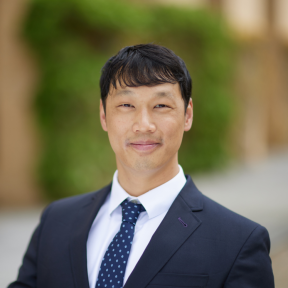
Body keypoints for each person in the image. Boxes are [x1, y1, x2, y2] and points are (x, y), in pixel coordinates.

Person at [8, 44, 274, 288]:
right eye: (126, 105)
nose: (143, 124)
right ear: (103, 115)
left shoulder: (238, 242)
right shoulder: (56, 222)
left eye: (161, 105)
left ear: (187, 115)